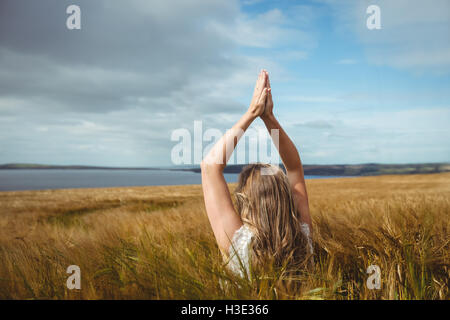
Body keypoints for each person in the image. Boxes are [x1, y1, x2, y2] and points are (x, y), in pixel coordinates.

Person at [201, 70, 313, 278]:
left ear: (246, 198)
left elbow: (210, 166)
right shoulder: (303, 239)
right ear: (286, 195)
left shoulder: (237, 244)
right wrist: (269, 118)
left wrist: (251, 113)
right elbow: (295, 168)